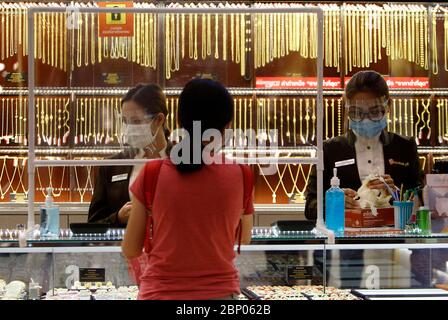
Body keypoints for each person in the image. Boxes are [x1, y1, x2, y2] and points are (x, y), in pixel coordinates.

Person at [122, 78, 254, 300]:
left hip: (160, 294)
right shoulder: (242, 174)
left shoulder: (152, 173)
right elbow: (245, 237)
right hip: (220, 295)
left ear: (181, 121)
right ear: (228, 125)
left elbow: (131, 249)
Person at [305, 70, 423, 287]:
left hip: (392, 251)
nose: (366, 120)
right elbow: (310, 207)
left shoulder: (404, 147)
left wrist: (396, 194)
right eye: (357, 113)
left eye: (375, 112)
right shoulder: (330, 150)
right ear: (347, 109)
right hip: (343, 253)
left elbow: (421, 201)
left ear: (389, 106)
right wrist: (336, 204)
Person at [88, 84, 169, 227]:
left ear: (159, 120)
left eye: (136, 121)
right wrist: (118, 218)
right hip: (123, 247)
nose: (129, 128)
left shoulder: (183, 161)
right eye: (125, 121)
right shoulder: (112, 165)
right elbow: (93, 224)